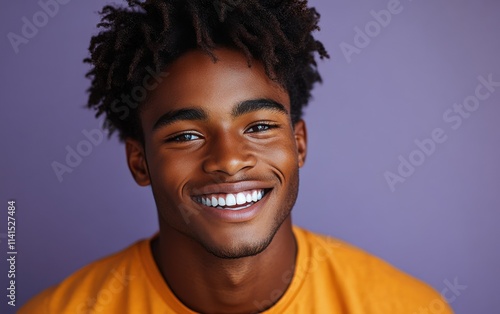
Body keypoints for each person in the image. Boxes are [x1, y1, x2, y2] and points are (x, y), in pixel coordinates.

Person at [20, 0, 453, 313]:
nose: (228, 160)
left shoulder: (408, 306)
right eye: (186, 135)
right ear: (140, 163)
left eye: (260, 127)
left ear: (299, 144)